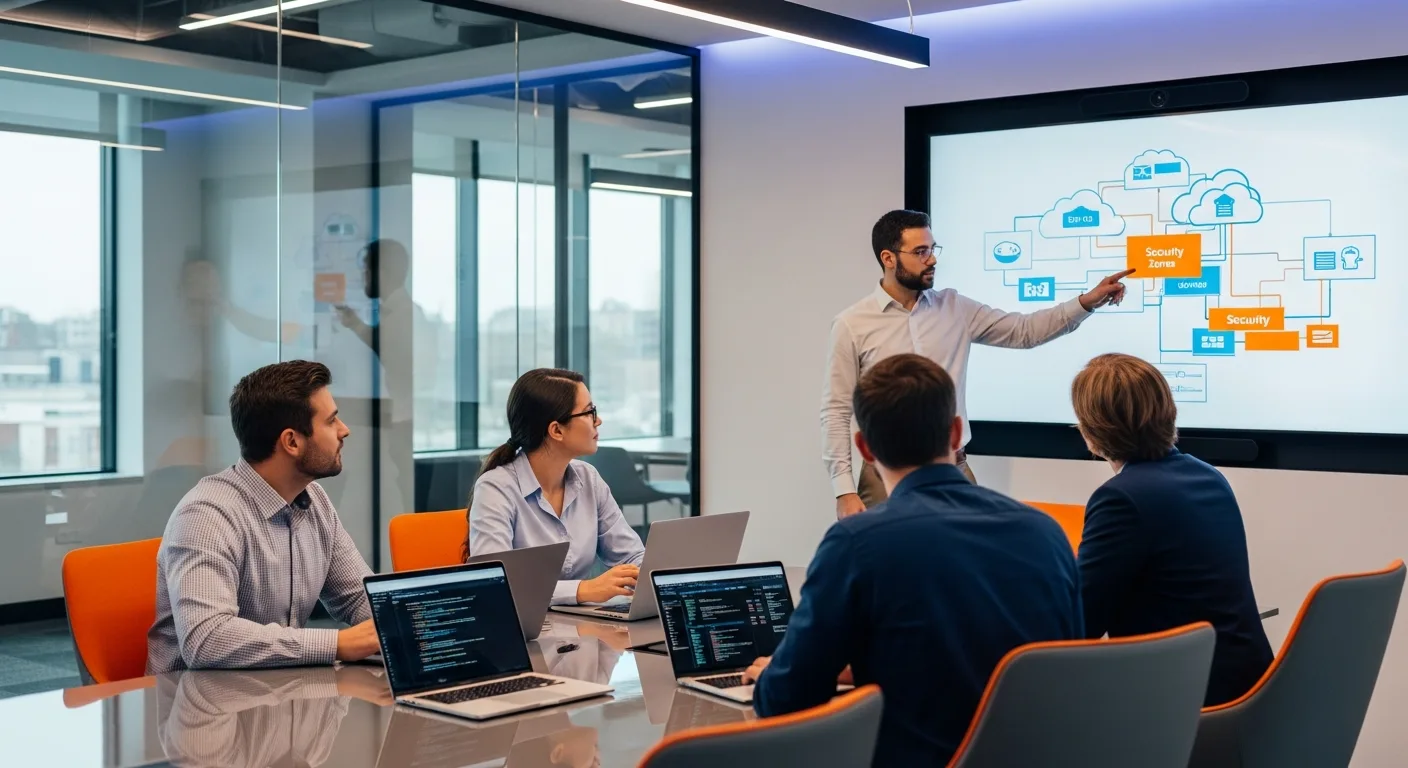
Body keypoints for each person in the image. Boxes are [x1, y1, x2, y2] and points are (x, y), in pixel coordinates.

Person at [749, 354, 1082, 767]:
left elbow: (786, 702)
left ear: (864, 448)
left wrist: (771, 677)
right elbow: (1063, 666)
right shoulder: (1045, 532)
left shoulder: (857, 543)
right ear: (957, 432)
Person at [823, 209, 1133, 516]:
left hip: (954, 468)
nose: (932, 259)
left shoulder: (954, 307)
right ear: (888, 258)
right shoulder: (852, 324)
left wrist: (1086, 302)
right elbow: (836, 411)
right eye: (920, 252)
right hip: (884, 477)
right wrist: (844, 490)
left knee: (965, 562)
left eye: (932, 249)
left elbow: (1023, 331)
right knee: (886, 565)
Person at [147, 361, 381, 673]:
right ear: (292, 442)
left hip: (281, 695)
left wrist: (430, 624)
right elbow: (207, 639)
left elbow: (357, 599)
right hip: (203, 707)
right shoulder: (206, 516)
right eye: (331, 421)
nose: (344, 430)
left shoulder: (314, 502)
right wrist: (338, 645)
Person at [1072, 353, 1273, 706]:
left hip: (1185, 706)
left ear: (1092, 431)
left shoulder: (1121, 499)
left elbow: (1077, 625)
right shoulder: (1208, 476)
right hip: (1248, 691)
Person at [467, 368, 645, 605]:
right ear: (556, 430)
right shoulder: (496, 489)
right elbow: (496, 584)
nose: (598, 420)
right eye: (590, 412)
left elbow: (631, 556)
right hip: (525, 632)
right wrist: (583, 590)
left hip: (580, 627)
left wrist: (648, 577)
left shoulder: (589, 479)